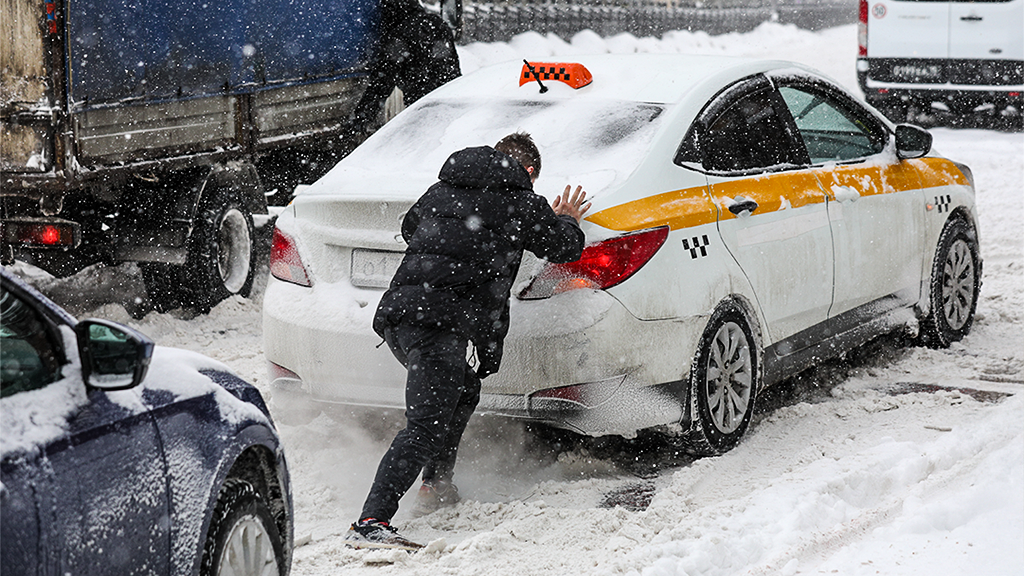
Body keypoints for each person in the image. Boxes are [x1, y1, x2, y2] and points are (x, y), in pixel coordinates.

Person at [345, 132, 591, 549]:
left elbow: (410, 229)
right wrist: (565, 216)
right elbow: (565, 246)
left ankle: (436, 486)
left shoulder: (443, 188)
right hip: (439, 325)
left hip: (402, 315)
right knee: (425, 424)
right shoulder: (521, 202)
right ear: (529, 171)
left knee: (462, 390)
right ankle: (371, 521)